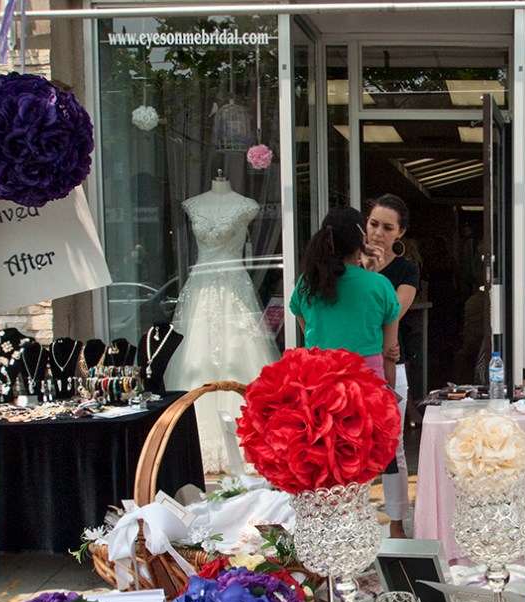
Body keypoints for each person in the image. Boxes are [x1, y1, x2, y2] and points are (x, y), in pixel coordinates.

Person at [166, 173, 279, 473]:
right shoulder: (193, 205)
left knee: (238, 355)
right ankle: (199, 443)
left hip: (233, 288)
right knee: (198, 353)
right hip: (201, 292)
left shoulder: (247, 206)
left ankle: (247, 440)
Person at [289, 206, 401, 390]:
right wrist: (389, 398)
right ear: (361, 241)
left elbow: (309, 330)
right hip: (367, 387)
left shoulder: (307, 282)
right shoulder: (380, 284)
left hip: (319, 387)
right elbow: (389, 353)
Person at [363, 194, 419, 539]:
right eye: (373, 224)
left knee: (391, 445)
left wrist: (387, 343)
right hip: (353, 366)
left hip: (389, 365)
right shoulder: (348, 263)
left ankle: (397, 522)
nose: (378, 233)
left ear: (400, 233)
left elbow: (390, 313)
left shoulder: (405, 270)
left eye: (387, 227)